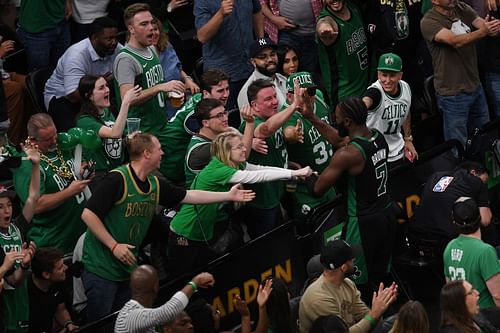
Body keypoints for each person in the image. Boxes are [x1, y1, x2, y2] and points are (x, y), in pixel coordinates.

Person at [80, 132, 254, 322]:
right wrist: (114, 245)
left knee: (125, 322)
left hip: (125, 268)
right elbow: (88, 215)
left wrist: (228, 196)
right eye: (159, 149)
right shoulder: (117, 179)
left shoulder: (154, 183)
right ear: (147, 153)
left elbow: (190, 196)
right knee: (99, 324)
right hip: (100, 267)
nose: (163, 153)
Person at [169, 129, 312, 276]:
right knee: (185, 277)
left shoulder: (235, 164)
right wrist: (294, 173)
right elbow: (258, 176)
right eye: (239, 147)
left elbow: (261, 169)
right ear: (226, 151)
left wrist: (290, 172)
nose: (245, 149)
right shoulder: (219, 169)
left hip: (203, 231)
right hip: (185, 231)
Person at [304, 97, 396, 287]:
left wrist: (305, 174)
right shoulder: (377, 136)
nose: (334, 121)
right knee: (381, 275)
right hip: (386, 213)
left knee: (356, 282)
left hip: (362, 222)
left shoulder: (348, 154)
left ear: (347, 122)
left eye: (336, 119)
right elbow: (339, 139)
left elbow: (317, 190)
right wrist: (311, 116)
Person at [113, 3, 185, 178]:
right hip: (141, 133)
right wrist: (161, 87)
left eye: (151, 22)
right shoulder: (126, 59)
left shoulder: (152, 49)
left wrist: (168, 95)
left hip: (160, 124)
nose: (151, 27)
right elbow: (127, 98)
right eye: (143, 24)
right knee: (152, 182)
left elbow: (153, 86)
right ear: (131, 29)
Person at [420, 0, 500, 150]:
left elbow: (482, 24)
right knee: (458, 145)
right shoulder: (429, 22)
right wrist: (484, 32)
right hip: (452, 93)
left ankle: (484, 171)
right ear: (435, 1)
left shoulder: (461, 8)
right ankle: (461, 172)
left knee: (485, 136)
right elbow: (455, 41)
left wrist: (493, 28)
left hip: (475, 86)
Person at [239, 79, 306, 239]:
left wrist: (287, 165)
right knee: (269, 248)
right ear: (254, 106)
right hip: (262, 201)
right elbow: (265, 130)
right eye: (268, 99)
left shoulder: (276, 117)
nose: (275, 102)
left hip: (277, 192)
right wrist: (292, 106)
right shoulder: (251, 123)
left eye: (275, 96)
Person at [12, 114, 89, 254]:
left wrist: (83, 168)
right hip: (53, 245)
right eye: (48, 139)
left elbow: (77, 164)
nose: (54, 141)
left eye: (55, 134)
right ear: (33, 140)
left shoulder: (63, 145)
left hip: (80, 236)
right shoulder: (27, 164)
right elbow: (37, 205)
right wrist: (69, 192)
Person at [298, 240, 398, 333]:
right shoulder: (319, 298)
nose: (354, 260)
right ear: (344, 267)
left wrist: (382, 303)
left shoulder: (347, 284)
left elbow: (364, 315)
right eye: (351, 259)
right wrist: (375, 313)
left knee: (401, 321)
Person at [44, 16, 122, 131]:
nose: (114, 42)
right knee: (75, 133)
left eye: (116, 37)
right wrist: (99, 85)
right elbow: (72, 94)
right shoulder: (76, 55)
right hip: (64, 98)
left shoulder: (116, 49)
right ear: (94, 38)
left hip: (96, 95)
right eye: (109, 38)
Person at [281, 71, 337, 224]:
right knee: (311, 226)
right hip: (304, 186)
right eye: (302, 94)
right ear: (290, 96)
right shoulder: (286, 115)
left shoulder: (318, 95)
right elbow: (288, 133)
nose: (308, 97)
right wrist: (293, 134)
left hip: (328, 177)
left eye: (310, 92)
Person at [162, 69, 230, 185]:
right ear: (206, 93)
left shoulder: (203, 102)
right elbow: (219, 137)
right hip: (171, 161)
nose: (226, 94)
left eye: (227, 89)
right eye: (220, 91)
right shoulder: (194, 116)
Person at [194, 0, 264, 109]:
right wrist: (220, 14)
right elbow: (202, 36)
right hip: (222, 73)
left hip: (249, 67)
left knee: (256, 111)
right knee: (224, 116)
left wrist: (261, 43)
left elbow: (257, 12)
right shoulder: (203, 2)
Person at [0, 142, 39, 333]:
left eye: (8, 205)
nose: (7, 210)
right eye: (0, 207)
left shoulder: (16, 227)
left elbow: (33, 197)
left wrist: (36, 166)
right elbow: (11, 281)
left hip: (22, 304)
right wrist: (7, 266)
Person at [409, 161, 492, 249]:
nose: (485, 184)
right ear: (473, 173)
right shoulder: (476, 182)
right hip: (447, 238)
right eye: (484, 180)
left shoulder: (436, 176)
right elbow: (485, 220)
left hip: (418, 232)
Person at [76, 75, 141, 177]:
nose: (107, 90)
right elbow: (115, 133)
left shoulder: (107, 112)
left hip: (119, 169)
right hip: (101, 175)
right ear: (89, 96)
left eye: (106, 86)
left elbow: (112, 143)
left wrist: (127, 139)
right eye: (101, 88)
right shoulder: (84, 121)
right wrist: (126, 102)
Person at [114, 266, 214, 333]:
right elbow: (168, 311)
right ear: (155, 287)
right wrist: (194, 283)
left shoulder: (136, 312)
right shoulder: (130, 316)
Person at [443, 197, 500, 313]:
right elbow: (498, 295)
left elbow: (450, 289)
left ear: (455, 222)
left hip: (462, 317)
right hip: (484, 317)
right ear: (479, 218)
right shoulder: (485, 251)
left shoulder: (449, 247)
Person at [362, 53, 417, 165]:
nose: (387, 80)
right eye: (384, 75)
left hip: (398, 150)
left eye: (392, 75)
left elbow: (406, 113)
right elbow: (364, 103)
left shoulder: (406, 87)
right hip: (376, 155)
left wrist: (407, 139)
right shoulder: (375, 92)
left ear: (400, 75)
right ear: (378, 74)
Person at [315, 0, 371, 106]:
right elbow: (323, 24)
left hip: (366, 87)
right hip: (345, 94)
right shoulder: (328, 19)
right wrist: (324, 30)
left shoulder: (353, 8)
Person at [184, 98, 241, 188]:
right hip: (202, 200)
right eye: (219, 116)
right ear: (206, 123)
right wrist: (250, 123)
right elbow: (244, 156)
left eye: (225, 113)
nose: (225, 118)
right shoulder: (202, 150)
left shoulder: (217, 138)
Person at [151, 18, 200, 119]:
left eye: (155, 29)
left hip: (177, 99)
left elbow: (177, 67)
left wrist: (187, 79)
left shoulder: (166, 46)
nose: (154, 33)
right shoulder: (141, 56)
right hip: (157, 107)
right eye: (150, 31)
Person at [259, 0, 322, 75]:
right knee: (282, 72)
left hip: (312, 35)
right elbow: (260, 2)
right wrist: (273, 18)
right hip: (286, 34)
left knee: (308, 75)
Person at [28, 247, 78, 333]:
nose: (66, 268)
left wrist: (68, 324)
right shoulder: (24, 290)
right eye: (60, 267)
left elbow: (60, 310)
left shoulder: (58, 281)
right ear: (46, 274)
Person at [17, 0, 71, 71]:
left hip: (60, 20)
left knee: (61, 67)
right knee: (39, 73)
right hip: (36, 27)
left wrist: (67, 2)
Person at [237, 37, 287, 109]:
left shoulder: (283, 79)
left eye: (272, 54)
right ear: (253, 62)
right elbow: (249, 120)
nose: (270, 59)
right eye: (263, 57)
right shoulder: (247, 91)